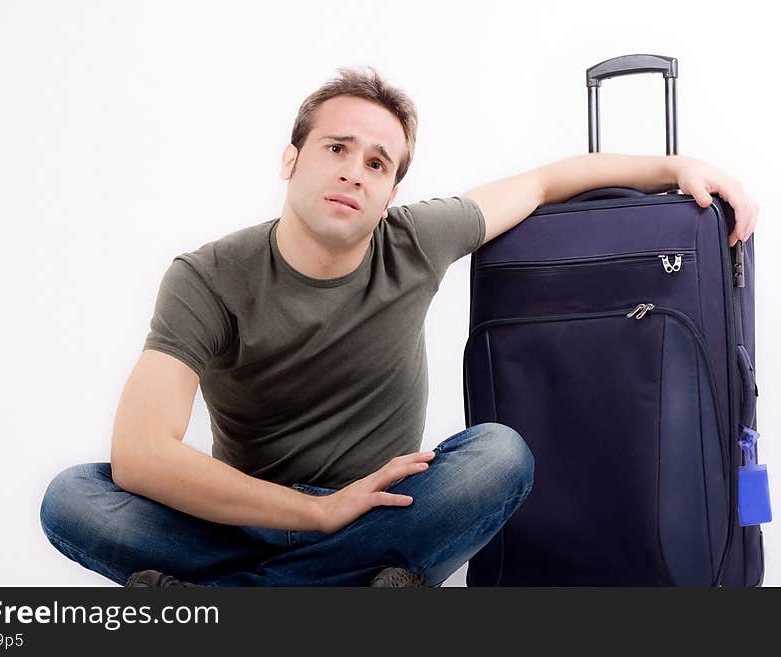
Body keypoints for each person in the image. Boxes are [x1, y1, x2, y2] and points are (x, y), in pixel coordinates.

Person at [39, 66, 759, 587]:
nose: (355, 171)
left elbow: (541, 182)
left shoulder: (415, 240)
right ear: (291, 159)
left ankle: (238, 598)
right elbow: (138, 454)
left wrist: (672, 165)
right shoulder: (207, 277)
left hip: (384, 513)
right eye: (336, 148)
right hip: (250, 512)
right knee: (73, 496)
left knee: (499, 457)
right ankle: (338, 590)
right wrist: (312, 517)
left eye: (378, 163)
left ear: (390, 193)